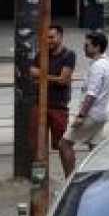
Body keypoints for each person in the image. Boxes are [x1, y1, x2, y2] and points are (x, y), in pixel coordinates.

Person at [26, 24, 79, 178]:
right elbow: (31, 73)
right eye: (46, 37)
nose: (48, 41)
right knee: (37, 145)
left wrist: (42, 76)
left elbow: (63, 80)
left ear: (60, 37)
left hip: (58, 106)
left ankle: (70, 179)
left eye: (51, 37)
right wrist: (53, 78)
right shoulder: (42, 54)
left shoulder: (68, 55)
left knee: (62, 145)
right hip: (39, 104)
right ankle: (39, 180)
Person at [71, 31, 109, 154]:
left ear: (97, 47)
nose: (84, 48)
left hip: (92, 114)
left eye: (87, 45)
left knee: (65, 143)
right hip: (102, 112)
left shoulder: (98, 66)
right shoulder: (108, 62)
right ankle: (99, 166)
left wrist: (81, 116)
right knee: (94, 148)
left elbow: (91, 94)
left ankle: (71, 169)